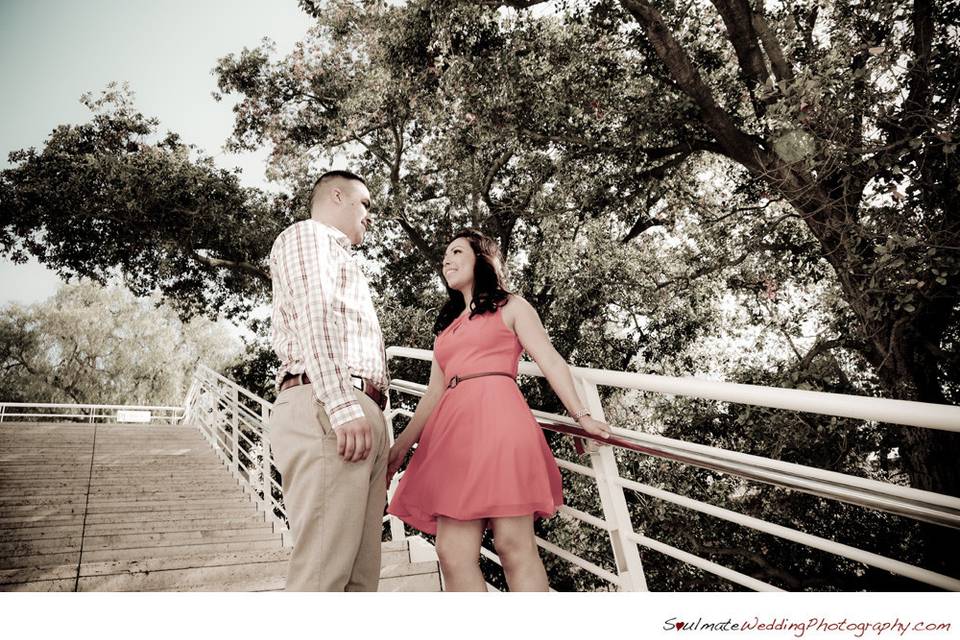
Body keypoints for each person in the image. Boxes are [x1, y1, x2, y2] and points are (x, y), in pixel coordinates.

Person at [386, 229, 612, 592]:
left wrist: (581, 416)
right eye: (444, 255)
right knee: (451, 552)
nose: (447, 260)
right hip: (451, 437)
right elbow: (433, 393)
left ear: (482, 259)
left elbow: (551, 361)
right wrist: (400, 447)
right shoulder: (445, 328)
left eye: (457, 251)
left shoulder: (513, 306)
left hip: (501, 424)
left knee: (513, 545)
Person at [267, 169, 390, 592]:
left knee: (358, 582)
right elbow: (315, 314)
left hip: (358, 408)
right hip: (329, 406)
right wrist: (340, 402)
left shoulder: (340, 255)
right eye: (365, 204)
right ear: (337, 196)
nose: (370, 216)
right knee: (322, 578)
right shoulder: (308, 236)